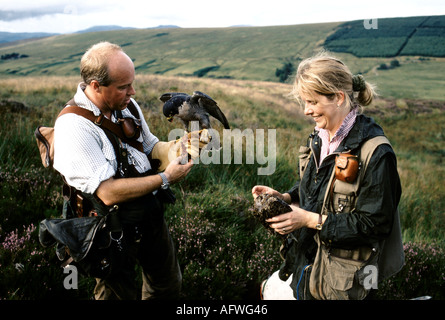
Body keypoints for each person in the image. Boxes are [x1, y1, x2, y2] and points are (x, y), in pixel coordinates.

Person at [53, 42, 199, 300]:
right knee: (118, 295)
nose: (132, 91)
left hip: (149, 215)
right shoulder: (74, 126)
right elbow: (107, 192)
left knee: (166, 287)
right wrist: (166, 178)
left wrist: (179, 148)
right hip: (109, 230)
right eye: (123, 86)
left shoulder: (127, 106)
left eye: (131, 83)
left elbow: (150, 147)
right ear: (96, 86)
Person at [253, 52, 404, 300]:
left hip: (344, 285)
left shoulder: (377, 153)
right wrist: (286, 197)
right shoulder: (320, 138)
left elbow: (374, 225)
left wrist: (309, 220)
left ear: (338, 97)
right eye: (304, 102)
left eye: (312, 102)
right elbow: (317, 189)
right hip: (307, 269)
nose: (305, 111)